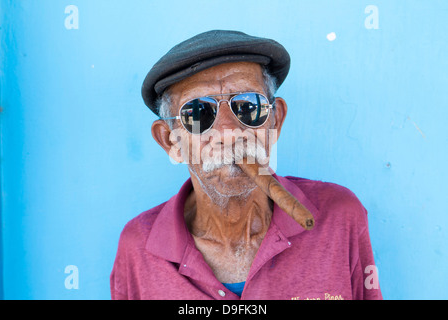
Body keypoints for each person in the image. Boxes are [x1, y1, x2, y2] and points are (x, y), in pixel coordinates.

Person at [110, 30, 382, 300]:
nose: (229, 130)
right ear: (171, 142)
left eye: (248, 106)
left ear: (274, 122)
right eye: (199, 113)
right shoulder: (138, 248)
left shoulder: (339, 217)